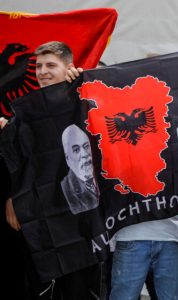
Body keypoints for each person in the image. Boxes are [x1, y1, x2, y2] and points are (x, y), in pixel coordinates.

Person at [2, 41, 100, 299]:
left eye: (51, 65)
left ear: (68, 67)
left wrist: (82, 80)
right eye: (39, 66)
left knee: (80, 288)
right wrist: (13, 197)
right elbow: (19, 161)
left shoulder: (83, 96)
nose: (43, 71)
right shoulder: (24, 111)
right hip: (42, 220)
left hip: (80, 223)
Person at [61, 124, 99, 214]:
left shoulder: (103, 171)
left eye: (86, 146)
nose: (85, 154)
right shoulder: (66, 189)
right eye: (76, 150)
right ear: (68, 159)